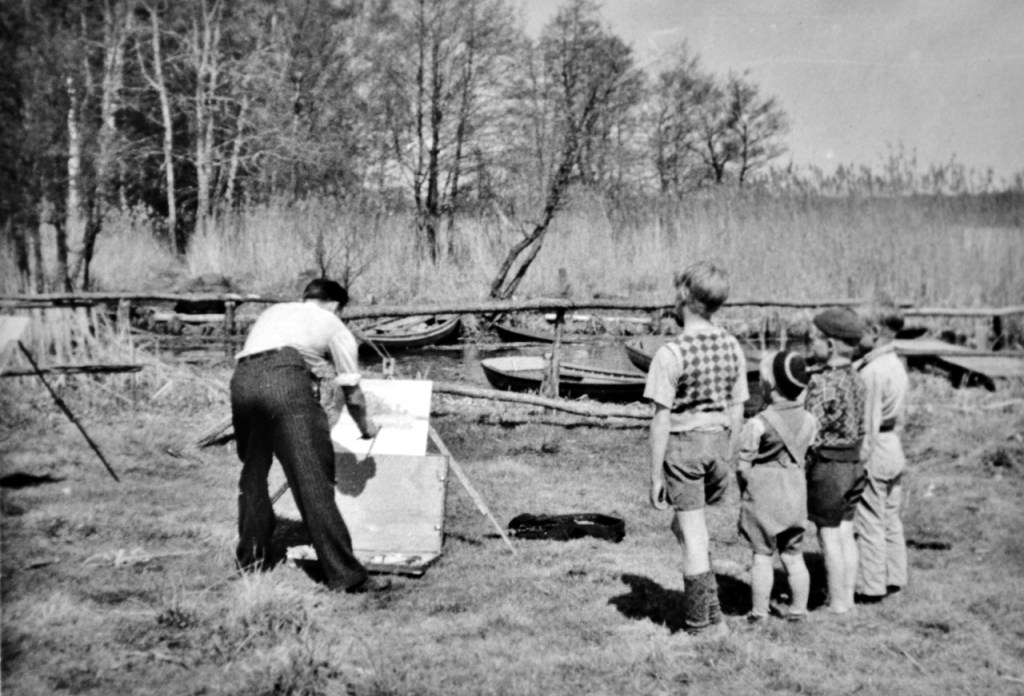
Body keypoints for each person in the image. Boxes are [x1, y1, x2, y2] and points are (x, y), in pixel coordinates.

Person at [230, 278, 388, 594]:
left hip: (242, 381)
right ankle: (346, 576)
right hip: (285, 381)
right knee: (313, 479)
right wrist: (365, 427)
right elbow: (351, 388)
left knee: (254, 475)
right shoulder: (334, 324)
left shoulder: (274, 312)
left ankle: (252, 560)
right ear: (335, 305)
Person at [645, 261, 748, 638]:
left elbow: (660, 420)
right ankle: (712, 608)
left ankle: (701, 624)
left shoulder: (670, 354)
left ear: (685, 296)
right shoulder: (732, 347)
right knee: (689, 528)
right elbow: (738, 408)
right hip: (718, 445)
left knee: (693, 535)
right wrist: (729, 454)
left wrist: (655, 475)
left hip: (685, 449)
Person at [737, 351, 817, 623]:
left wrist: (746, 488)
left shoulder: (757, 423)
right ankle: (798, 610)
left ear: (768, 384)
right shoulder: (810, 421)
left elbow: (742, 466)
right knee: (794, 556)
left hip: (765, 496)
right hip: (795, 494)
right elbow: (809, 453)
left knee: (762, 555)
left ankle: (759, 612)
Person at [804, 307, 868, 615]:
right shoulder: (857, 378)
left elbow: (810, 430)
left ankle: (837, 603)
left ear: (829, 345)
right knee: (845, 530)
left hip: (829, 467)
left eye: (814, 339)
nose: (809, 344)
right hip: (855, 464)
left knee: (828, 536)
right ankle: (849, 599)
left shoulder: (822, 383)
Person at [853, 294, 909, 602]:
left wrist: (859, 462)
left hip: (876, 449)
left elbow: (869, 423)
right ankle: (895, 575)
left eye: (859, 330)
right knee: (890, 516)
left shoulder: (873, 371)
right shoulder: (895, 364)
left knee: (870, 519)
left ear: (874, 331)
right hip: (893, 446)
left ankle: (871, 585)